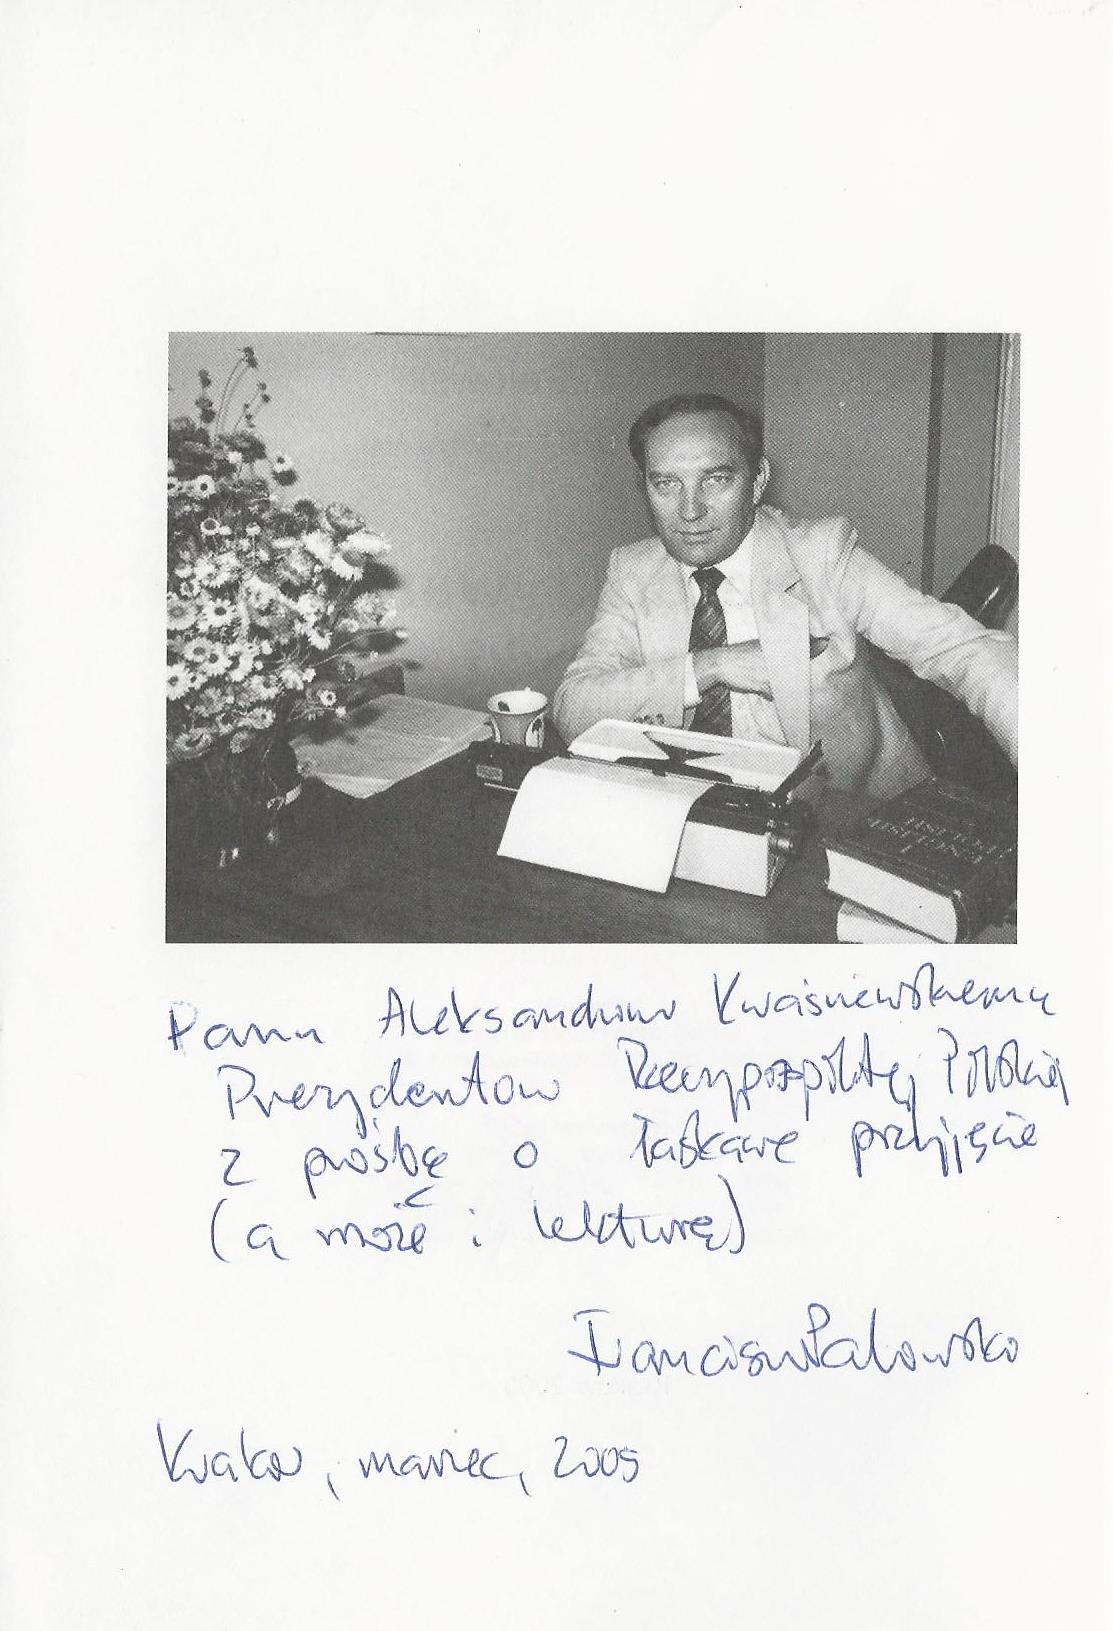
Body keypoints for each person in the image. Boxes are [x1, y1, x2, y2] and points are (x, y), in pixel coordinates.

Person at [552, 394, 1018, 798]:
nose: (690, 511)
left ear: (757, 482)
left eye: (716, 479)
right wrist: (712, 666)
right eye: (666, 484)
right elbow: (573, 708)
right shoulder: (633, 571)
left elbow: (963, 650)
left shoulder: (822, 555)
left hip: (844, 812)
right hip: (695, 810)